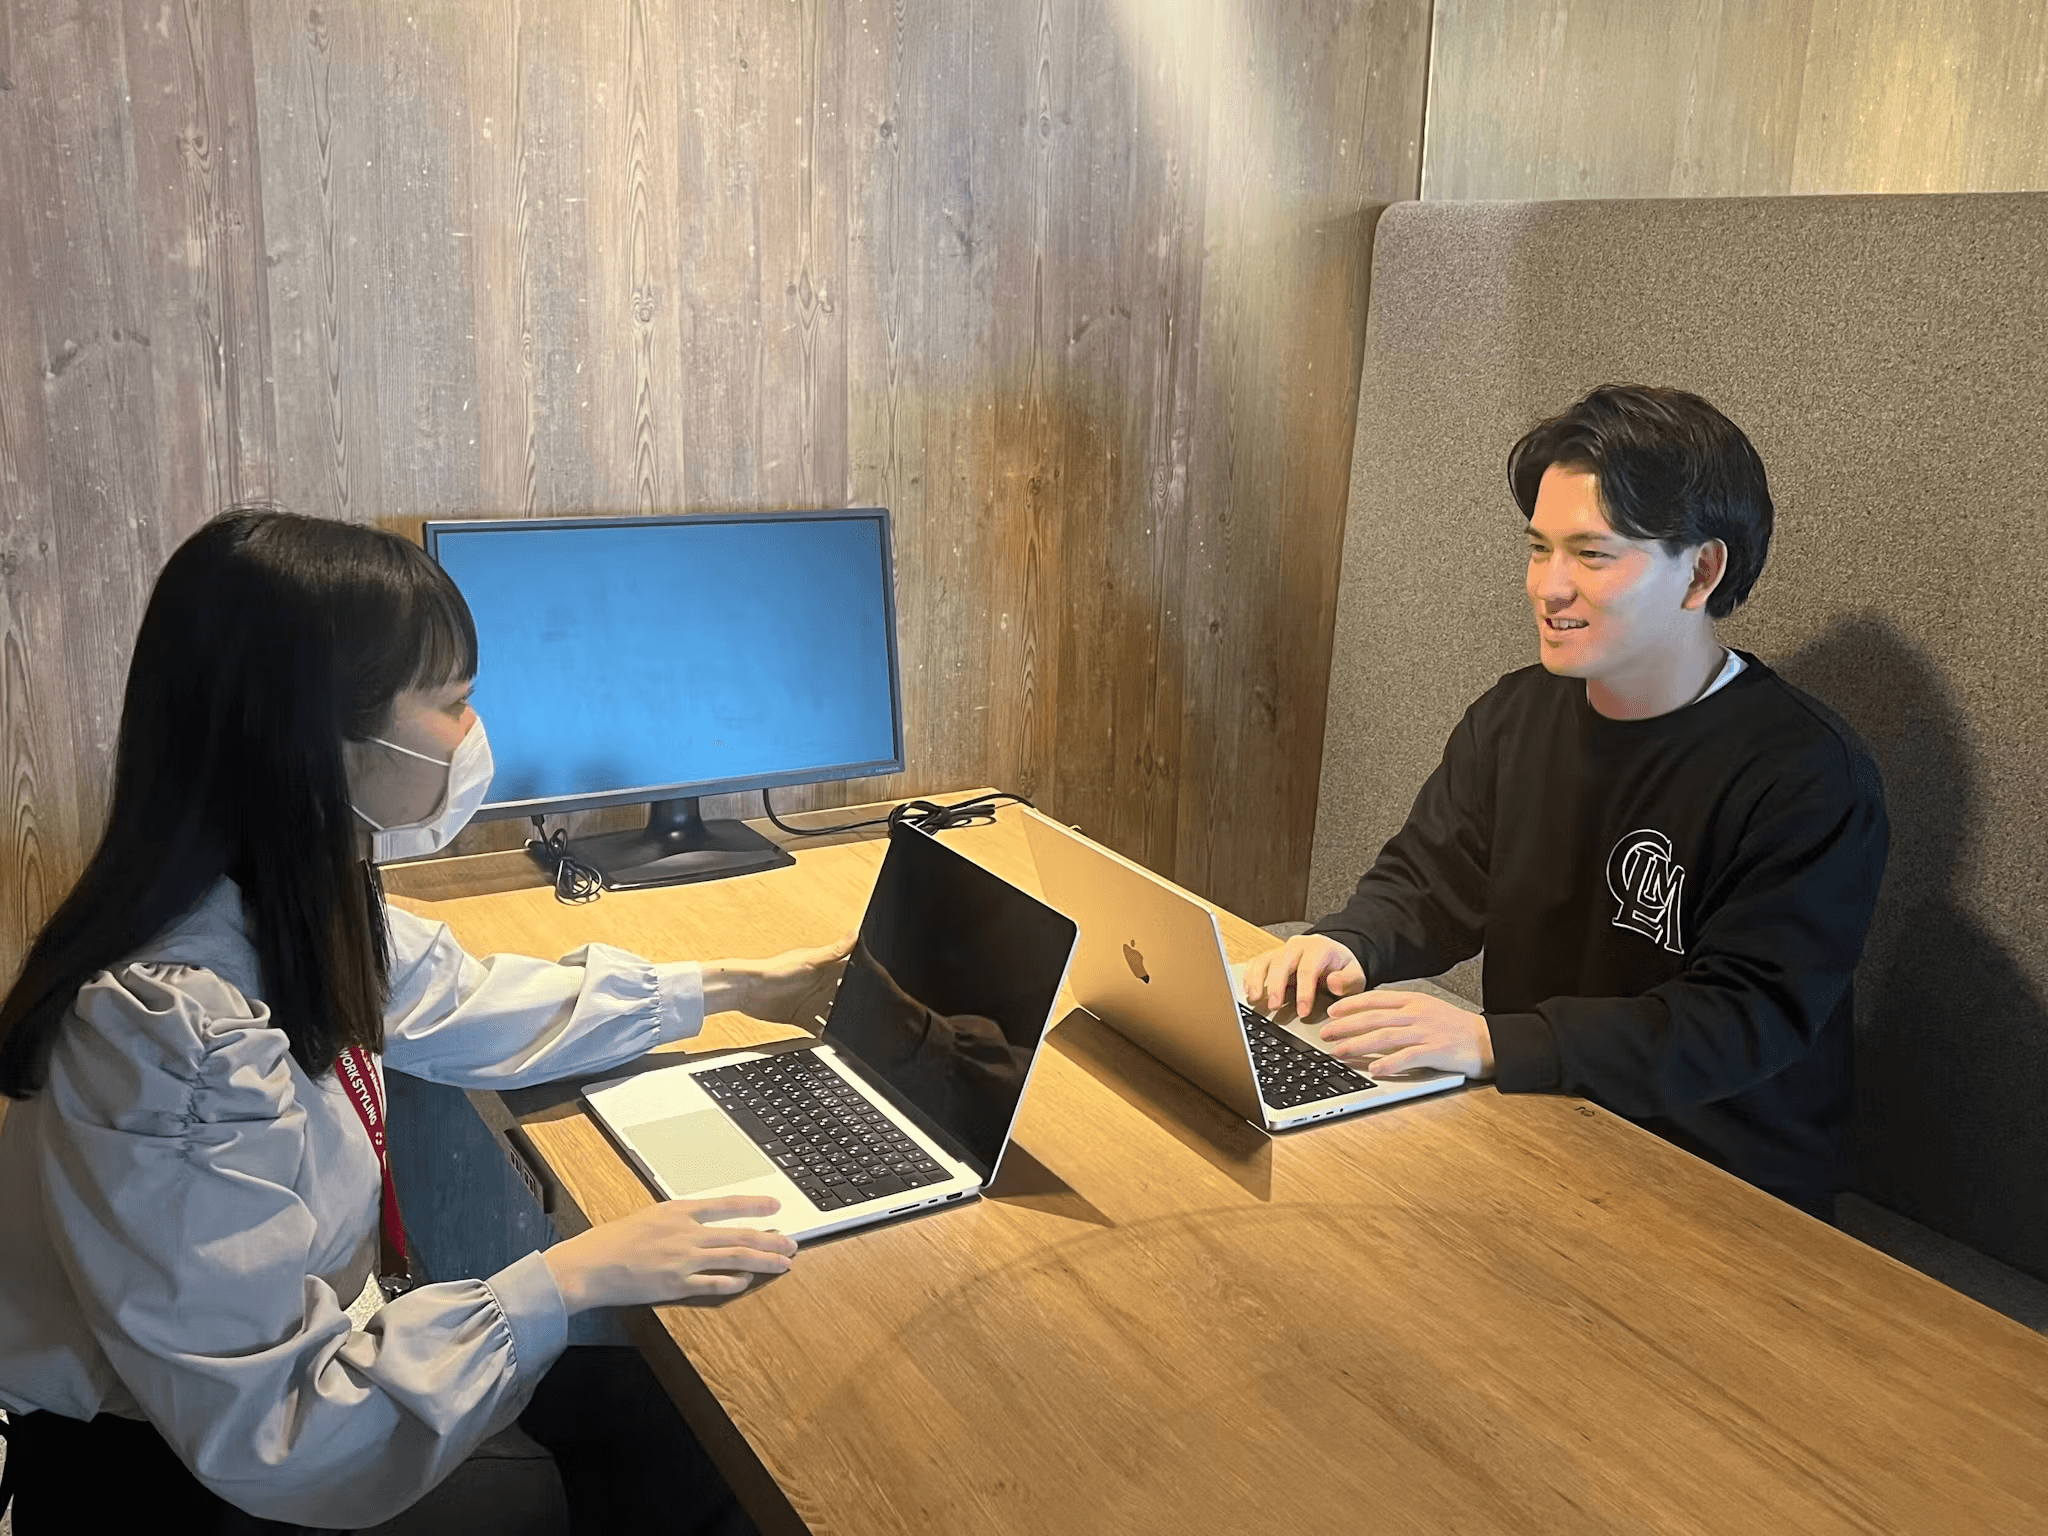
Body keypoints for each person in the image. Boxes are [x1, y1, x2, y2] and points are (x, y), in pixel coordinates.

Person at [0, 507, 850, 1532]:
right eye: (452, 702)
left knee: (699, 1437)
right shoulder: (169, 1039)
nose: (474, 733)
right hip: (193, 1473)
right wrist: (565, 1277)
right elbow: (276, 1428)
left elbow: (465, 998)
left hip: (291, 1388)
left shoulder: (287, 905)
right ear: (324, 741)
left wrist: (738, 987)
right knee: (689, 1467)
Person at [1243, 385, 1888, 1219]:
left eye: (1591, 554)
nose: (1547, 587)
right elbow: (1432, 880)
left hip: (1720, 1178)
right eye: (1538, 548)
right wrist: (1349, 942)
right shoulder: (1515, 716)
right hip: (1538, 1120)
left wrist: (1489, 1042)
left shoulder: (1808, 774)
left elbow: (1743, 1018)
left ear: (1702, 570)